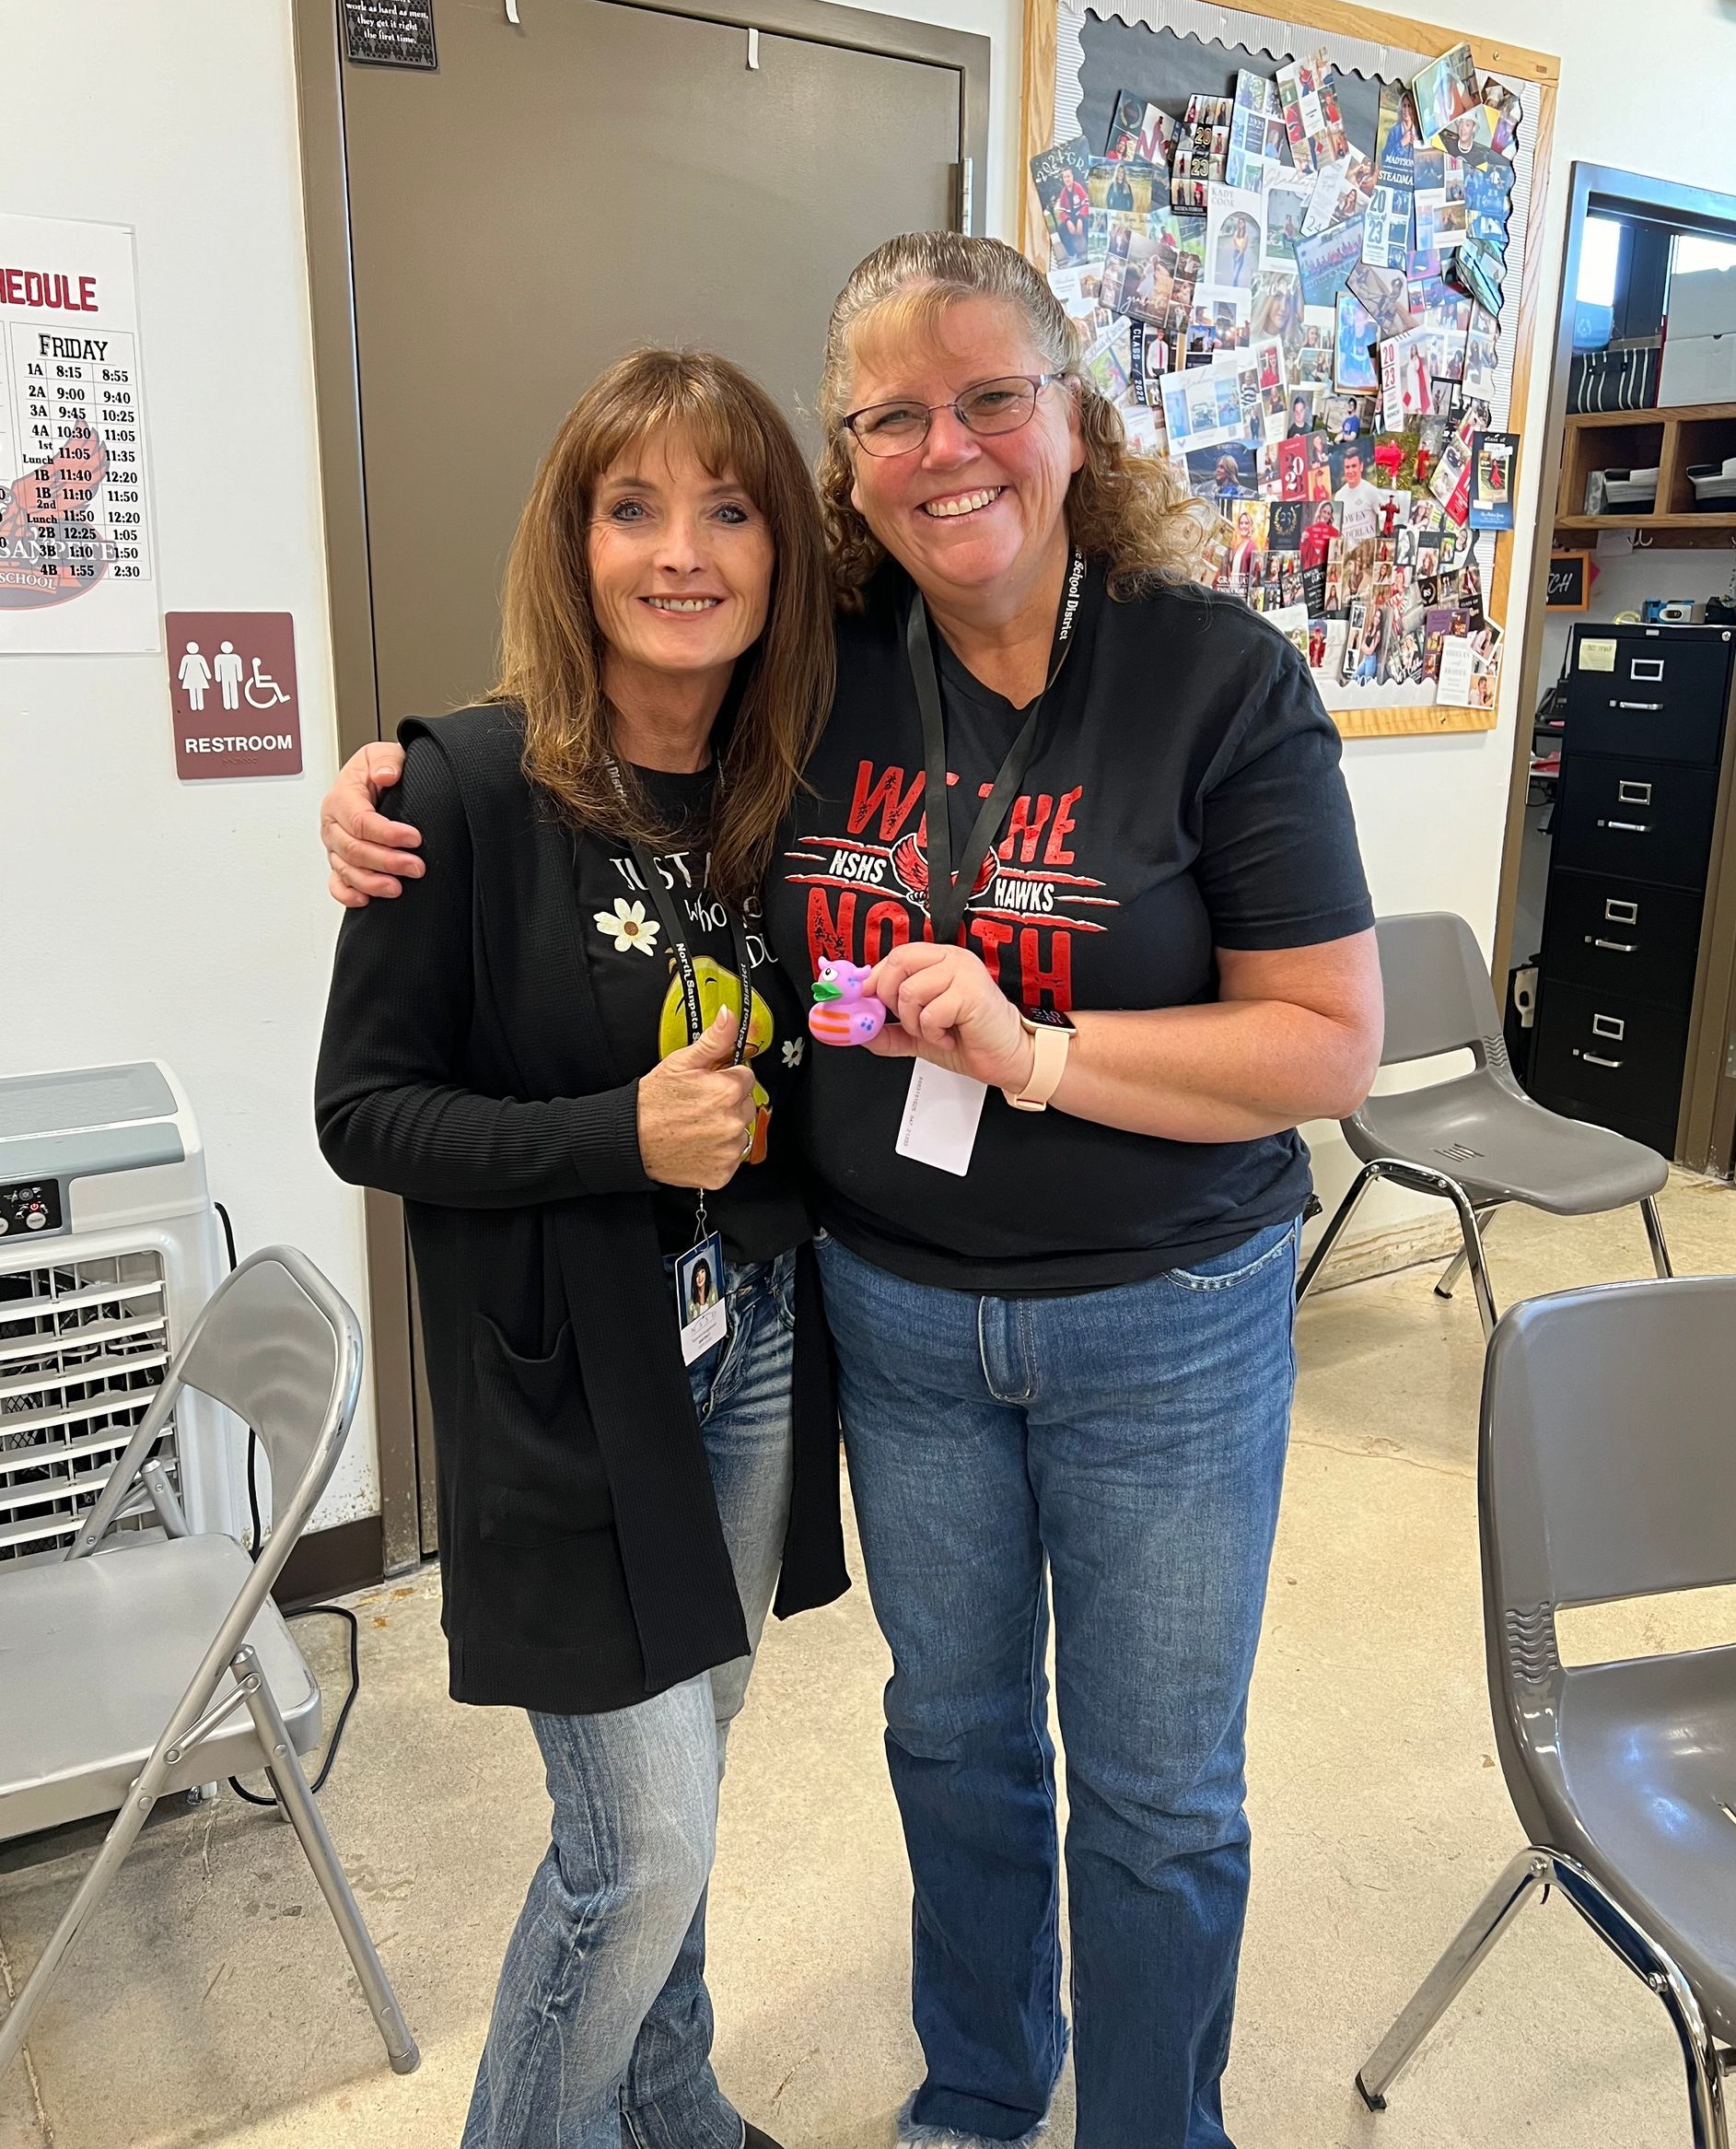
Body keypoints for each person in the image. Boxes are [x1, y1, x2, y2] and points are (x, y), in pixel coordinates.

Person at [320, 234, 1383, 2149]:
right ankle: (979, 2089)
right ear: (853, 458)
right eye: (890, 413)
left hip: (1164, 1312)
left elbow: (1325, 1043)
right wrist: (392, 777)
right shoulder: (825, 677)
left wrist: (1045, 1054)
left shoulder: (1219, 681)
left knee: (1154, 1793)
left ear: (1077, 415)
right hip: (895, 1312)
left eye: (990, 396)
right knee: (953, 1737)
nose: (943, 444)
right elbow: (600, 744)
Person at [315, 349, 847, 2149]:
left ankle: (671, 2102)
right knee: (641, 1848)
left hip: (754, 1336)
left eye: (727, 508)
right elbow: (363, 1111)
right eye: (635, 506)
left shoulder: (784, 791)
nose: (680, 550)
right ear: (576, 537)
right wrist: (610, 1137)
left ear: (783, 555)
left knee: (698, 1759)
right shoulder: (460, 788)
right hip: (570, 1372)